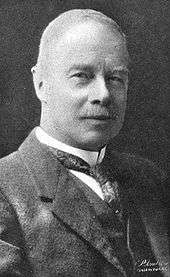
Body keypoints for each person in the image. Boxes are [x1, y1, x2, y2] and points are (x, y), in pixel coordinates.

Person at [0, 9, 169, 277]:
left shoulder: (151, 179)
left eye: (115, 78)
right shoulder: (5, 189)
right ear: (41, 83)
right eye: (82, 76)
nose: (103, 94)